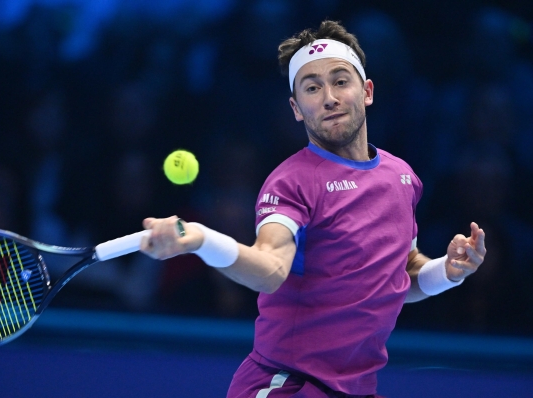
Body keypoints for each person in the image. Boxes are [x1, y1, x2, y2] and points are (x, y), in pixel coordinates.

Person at [140, 20, 486, 398]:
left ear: (367, 91)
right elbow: (270, 268)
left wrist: (449, 271)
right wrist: (201, 239)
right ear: (296, 108)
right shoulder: (291, 182)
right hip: (286, 385)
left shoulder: (401, 178)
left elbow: (401, 275)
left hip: (357, 388)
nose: (329, 97)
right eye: (312, 87)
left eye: (340, 81)